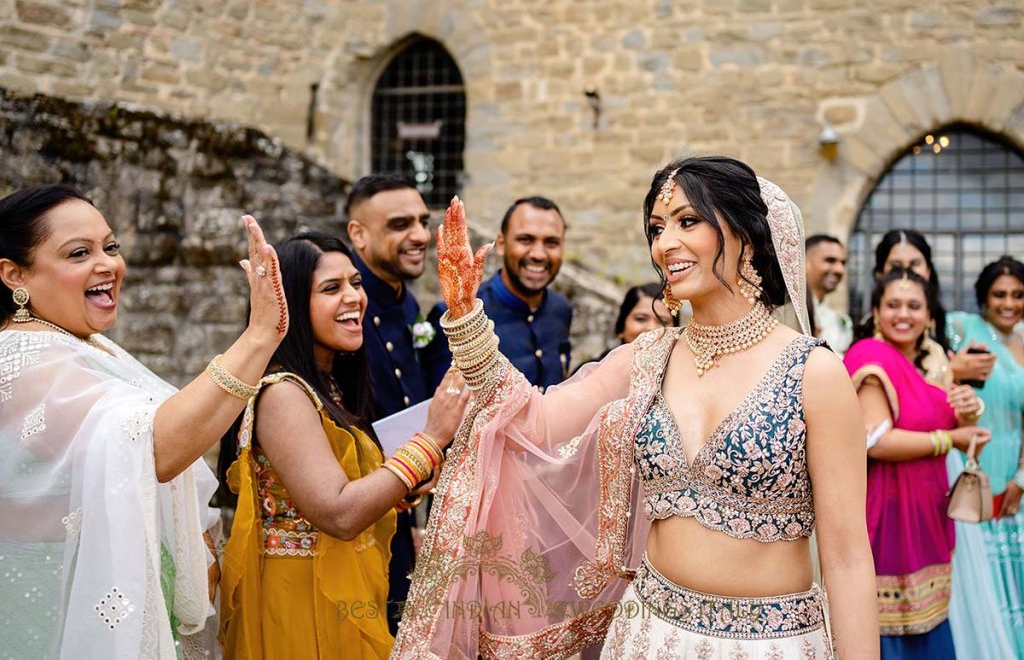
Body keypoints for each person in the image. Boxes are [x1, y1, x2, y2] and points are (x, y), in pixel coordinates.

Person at [395, 157, 878, 659]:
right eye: (657, 228)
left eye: (688, 222)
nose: (665, 243)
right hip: (648, 637)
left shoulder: (813, 373)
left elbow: (846, 559)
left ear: (748, 237)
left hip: (772, 646)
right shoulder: (647, 357)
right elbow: (534, 422)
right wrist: (466, 316)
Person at [0, 185, 287, 658]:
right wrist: (258, 338)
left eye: (111, 247)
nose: (109, 265)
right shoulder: (19, 357)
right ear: (14, 275)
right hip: (48, 619)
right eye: (79, 253)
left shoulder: (80, 342)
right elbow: (150, 447)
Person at [218, 232, 469, 658]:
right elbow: (338, 512)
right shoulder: (282, 392)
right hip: (301, 599)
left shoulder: (328, 384)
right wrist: (430, 439)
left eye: (355, 283)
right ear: (293, 304)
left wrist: (394, 491)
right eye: (332, 289)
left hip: (338, 587)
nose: (354, 297)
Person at [844, 270, 989, 659]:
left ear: (929, 314)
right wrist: (949, 440)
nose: (902, 314)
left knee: (929, 625)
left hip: (929, 512)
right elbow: (875, 442)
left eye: (914, 306)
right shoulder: (869, 359)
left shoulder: (935, 362)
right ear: (876, 312)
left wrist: (970, 414)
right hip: (886, 513)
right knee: (888, 631)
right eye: (892, 305)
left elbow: (948, 422)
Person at [344, 174, 451, 632]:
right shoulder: (340, 308)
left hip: (401, 509)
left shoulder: (407, 303)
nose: (421, 236)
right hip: (349, 516)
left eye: (424, 222)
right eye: (400, 224)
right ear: (358, 234)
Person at [944, 255, 1024, 659]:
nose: (1008, 303)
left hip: (1016, 477)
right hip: (974, 468)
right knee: (982, 577)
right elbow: (935, 376)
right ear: (983, 298)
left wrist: (1022, 480)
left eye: (1017, 295)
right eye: (999, 295)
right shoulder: (960, 328)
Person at [430, 196, 572, 390]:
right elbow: (446, 405)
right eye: (525, 240)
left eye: (551, 242)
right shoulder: (461, 317)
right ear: (501, 244)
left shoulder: (561, 309)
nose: (539, 254)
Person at [873, 229, 995, 387]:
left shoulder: (951, 325)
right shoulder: (870, 330)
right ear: (880, 274)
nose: (906, 272)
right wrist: (948, 372)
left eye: (915, 264)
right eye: (896, 266)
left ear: (929, 271)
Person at [806, 233, 852, 354]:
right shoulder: (785, 313)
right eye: (830, 261)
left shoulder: (841, 320)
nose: (839, 269)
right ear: (804, 262)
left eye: (843, 263)